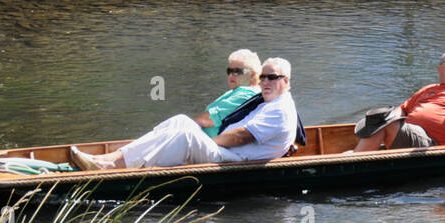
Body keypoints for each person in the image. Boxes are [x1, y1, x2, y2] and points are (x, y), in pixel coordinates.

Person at [71, 58, 297, 169]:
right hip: (230, 152)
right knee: (180, 121)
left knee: (186, 135)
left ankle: (113, 166)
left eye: (272, 78)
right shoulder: (269, 100)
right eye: (263, 77)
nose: (265, 82)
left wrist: (209, 142)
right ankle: (109, 159)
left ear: (285, 81)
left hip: (237, 160)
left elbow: (240, 137)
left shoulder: (279, 110)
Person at [351, 50, 445, 150]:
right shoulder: (428, 89)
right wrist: (381, 119)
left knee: (385, 124)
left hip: (433, 146)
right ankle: (358, 153)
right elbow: (402, 109)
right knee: (382, 119)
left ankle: (355, 159)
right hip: (410, 137)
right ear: (439, 68)